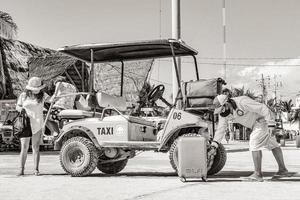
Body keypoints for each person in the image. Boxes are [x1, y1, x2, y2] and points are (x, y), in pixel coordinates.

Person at [212, 94, 289, 182]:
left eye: (222, 108)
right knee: (273, 144)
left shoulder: (242, 102)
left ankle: (257, 174)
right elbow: (221, 129)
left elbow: (262, 108)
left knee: (254, 143)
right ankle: (283, 170)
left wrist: (271, 123)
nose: (221, 112)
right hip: (256, 124)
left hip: (263, 119)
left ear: (227, 103)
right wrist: (214, 144)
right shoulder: (223, 114)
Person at [16, 77, 50, 176]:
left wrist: (58, 93)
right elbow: (17, 106)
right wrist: (21, 109)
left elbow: (52, 100)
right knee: (24, 147)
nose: (36, 91)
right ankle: (21, 169)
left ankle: (36, 169)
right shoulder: (23, 95)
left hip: (38, 123)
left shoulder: (43, 95)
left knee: (36, 147)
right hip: (25, 124)